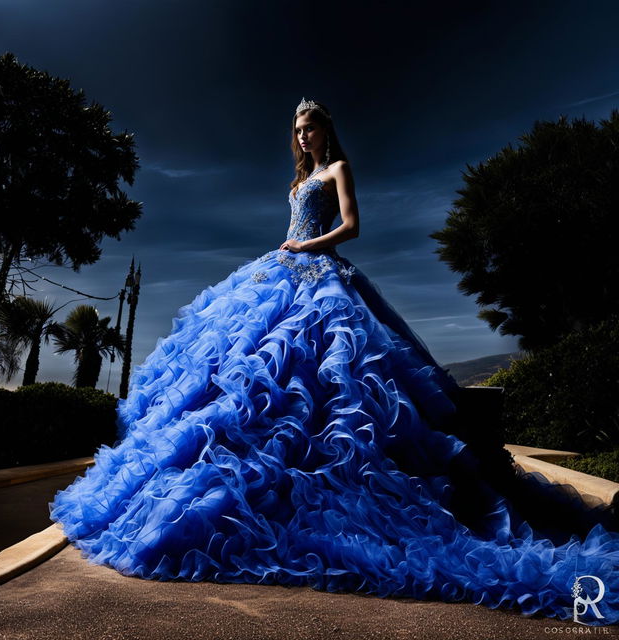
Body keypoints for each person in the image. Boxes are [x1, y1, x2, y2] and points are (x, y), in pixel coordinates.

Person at [49, 97, 619, 626]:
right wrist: (287, 248)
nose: (302, 137)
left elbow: (351, 226)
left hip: (322, 274)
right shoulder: (297, 181)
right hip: (282, 272)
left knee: (338, 376)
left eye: (309, 128)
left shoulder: (336, 171)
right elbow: (294, 226)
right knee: (250, 372)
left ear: (326, 131)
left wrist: (306, 248)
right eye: (297, 131)